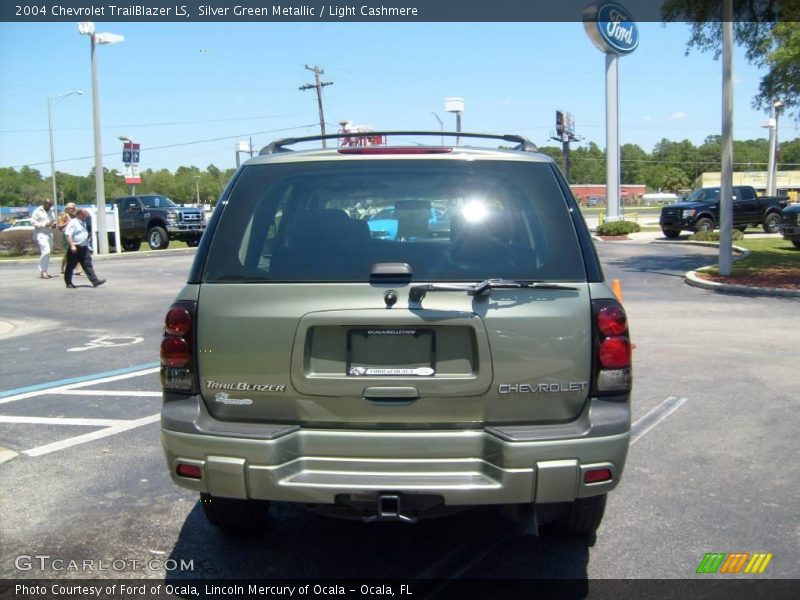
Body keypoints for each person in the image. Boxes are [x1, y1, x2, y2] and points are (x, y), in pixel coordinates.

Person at [63, 208, 106, 289]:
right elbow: (68, 234)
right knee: (71, 266)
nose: (86, 217)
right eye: (85, 215)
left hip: (84, 247)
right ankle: (68, 283)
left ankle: (95, 281)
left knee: (88, 264)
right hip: (75, 247)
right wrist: (72, 245)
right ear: (80, 215)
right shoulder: (73, 222)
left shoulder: (83, 222)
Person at [31, 197, 56, 279]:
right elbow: (33, 222)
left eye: (51, 204)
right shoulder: (38, 211)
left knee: (48, 253)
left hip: (49, 233)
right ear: (44, 204)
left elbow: (53, 220)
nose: (49, 206)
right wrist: (44, 224)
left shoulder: (51, 211)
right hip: (40, 233)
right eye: (48, 204)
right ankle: (42, 271)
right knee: (46, 251)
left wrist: (53, 224)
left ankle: (45, 270)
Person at [58, 203, 82, 276]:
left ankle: (78, 269)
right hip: (67, 236)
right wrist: (67, 222)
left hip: (75, 236)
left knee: (77, 252)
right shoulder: (64, 216)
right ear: (67, 209)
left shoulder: (76, 216)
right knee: (67, 254)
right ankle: (62, 268)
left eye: (74, 208)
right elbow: (60, 227)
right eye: (71, 208)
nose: (73, 209)